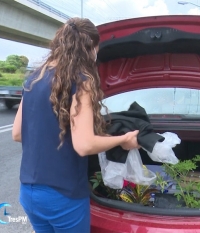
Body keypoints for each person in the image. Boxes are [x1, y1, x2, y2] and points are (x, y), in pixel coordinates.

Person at [12, 17, 139, 233]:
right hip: (63, 197)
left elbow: (17, 133)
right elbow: (84, 145)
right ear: (91, 48)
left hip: (29, 193)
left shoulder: (34, 78)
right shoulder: (81, 82)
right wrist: (124, 139)